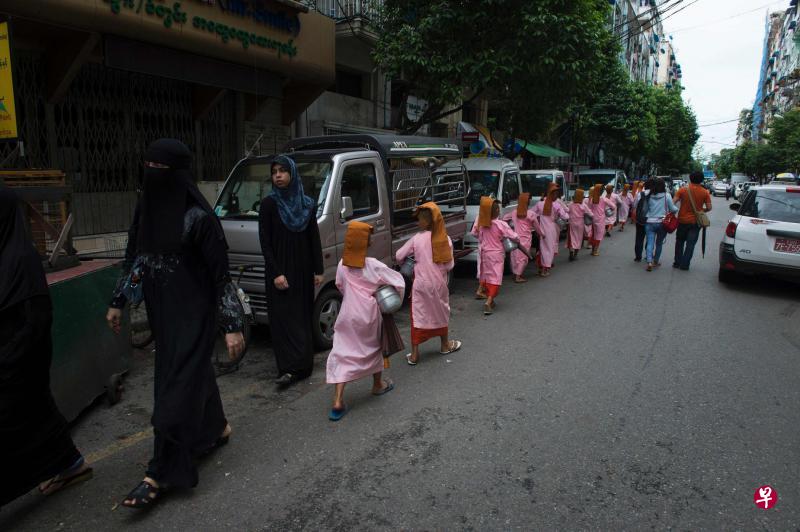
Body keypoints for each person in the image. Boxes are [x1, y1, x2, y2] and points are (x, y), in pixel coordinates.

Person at [106, 139, 245, 508]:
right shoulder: (147, 211)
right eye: (148, 167)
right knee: (190, 377)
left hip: (195, 317)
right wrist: (119, 301)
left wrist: (231, 325)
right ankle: (216, 427)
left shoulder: (200, 219)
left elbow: (220, 277)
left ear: (178, 173)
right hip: (163, 317)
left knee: (173, 392)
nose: (152, 175)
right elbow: (136, 258)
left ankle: (159, 473)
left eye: (160, 169)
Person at [0, 186, 93, 508]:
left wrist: (8, 360)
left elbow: (34, 319)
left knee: (14, 417)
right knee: (36, 413)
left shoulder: (20, 259)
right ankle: (70, 463)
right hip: (12, 357)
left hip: (19, 357)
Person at [326, 221, 405, 421]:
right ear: (367, 243)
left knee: (342, 352)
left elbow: (340, 285)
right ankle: (377, 385)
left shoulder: (342, 265)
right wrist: (394, 300)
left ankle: (338, 400)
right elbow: (398, 281)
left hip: (347, 314)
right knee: (374, 348)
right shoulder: (373, 265)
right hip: (369, 314)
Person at [258, 155, 324, 387]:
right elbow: (265, 242)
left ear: (292, 174)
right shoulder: (269, 204)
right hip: (279, 271)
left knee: (301, 317)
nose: (278, 175)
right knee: (283, 319)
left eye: (283, 171)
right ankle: (287, 368)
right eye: (274, 171)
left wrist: (318, 269)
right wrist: (276, 272)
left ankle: (303, 366)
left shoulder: (307, 204)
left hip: (303, 270)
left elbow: (313, 237)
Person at [396, 203, 461, 365]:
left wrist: (410, 261)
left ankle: (414, 354)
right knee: (441, 312)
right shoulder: (445, 239)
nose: (418, 222)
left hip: (421, 284)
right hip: (439, 284)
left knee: (418, 316)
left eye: (419, 219)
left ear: (426, 222)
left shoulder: (417, 238)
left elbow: (399, 256)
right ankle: (445, 345)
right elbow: (449, 265)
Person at [471, 197, 519, 315]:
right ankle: (489, 301)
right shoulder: (501, 224)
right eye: (498, 209)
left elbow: (476, 234)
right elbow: (514, 236)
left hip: (485, 254)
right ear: (496, 211)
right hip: (497, 255)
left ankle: (490, 300)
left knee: (487, 276)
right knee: (496, 278)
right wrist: (516, 239)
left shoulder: (482, 225)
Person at [672, 170, 712, 271]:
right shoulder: (705, 192)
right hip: (696, 222)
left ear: (690, 178)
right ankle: (685, 265)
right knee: (690, 244)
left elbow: (673, 202)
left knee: (680, 241)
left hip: (682, 220)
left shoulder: (682, 190)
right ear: (702, 180)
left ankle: (677, 262)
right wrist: (701, 211)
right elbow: (709, 207)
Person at [501, 192, 540, 283]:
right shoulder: (531, 214)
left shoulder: (514, 212)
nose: (530, 201)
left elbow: (504, 218)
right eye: (528, 200)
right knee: (524, 257)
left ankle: (516, 274)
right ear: (526, 202)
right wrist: (542, 234)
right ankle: (518, 276)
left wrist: (509, 228)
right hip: (525, 239)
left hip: (515, 238)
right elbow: (537, 227)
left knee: (515, 256)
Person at [531, 183, 568, 277]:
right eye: (555, 194)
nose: (556, 196)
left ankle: (541, 268)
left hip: (541, 229)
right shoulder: (556, 205)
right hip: (551, 229)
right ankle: (545, 269)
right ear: (552, 194)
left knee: (542, 249)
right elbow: (565, 216)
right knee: (549, 249)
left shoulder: (540, 204)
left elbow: (531, 213)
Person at [643, 177, 679, 272]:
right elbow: (673, 209)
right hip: (662, 223)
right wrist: (675, 210)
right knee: (659, 243)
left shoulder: (648, 195)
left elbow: (645, 210)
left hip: (650, 222)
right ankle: (656, 261)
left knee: (650, 242)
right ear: (663, 186)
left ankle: (649, 261)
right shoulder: (667, 196)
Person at [585, 185, 610, 257]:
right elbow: (613, 206)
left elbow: (588, 208)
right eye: (602, 190)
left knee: (594, 235)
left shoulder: (591, 199)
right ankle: (595, 251)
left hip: (593, 219)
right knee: (599, 236)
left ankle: (593, 250)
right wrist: (606, 209)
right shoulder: (604, 199)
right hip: (600, 220)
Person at [567, 188, 591, 261]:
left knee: (571, 238)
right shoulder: (583, 205)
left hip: (572, 223)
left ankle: (571, 252)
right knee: (579, 239)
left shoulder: (571, 204)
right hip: (580, 224)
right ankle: (575, 255)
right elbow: (591, 214)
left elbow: (567, 211)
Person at [631, 179, 651, 262]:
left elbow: (634, 205)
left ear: (644, 186)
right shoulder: (655, 195)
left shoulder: (640, 194)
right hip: (651, 220)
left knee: (639, 238)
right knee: (650, 238)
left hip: (640, 219)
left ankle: (638, 256)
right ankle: (648, 255)